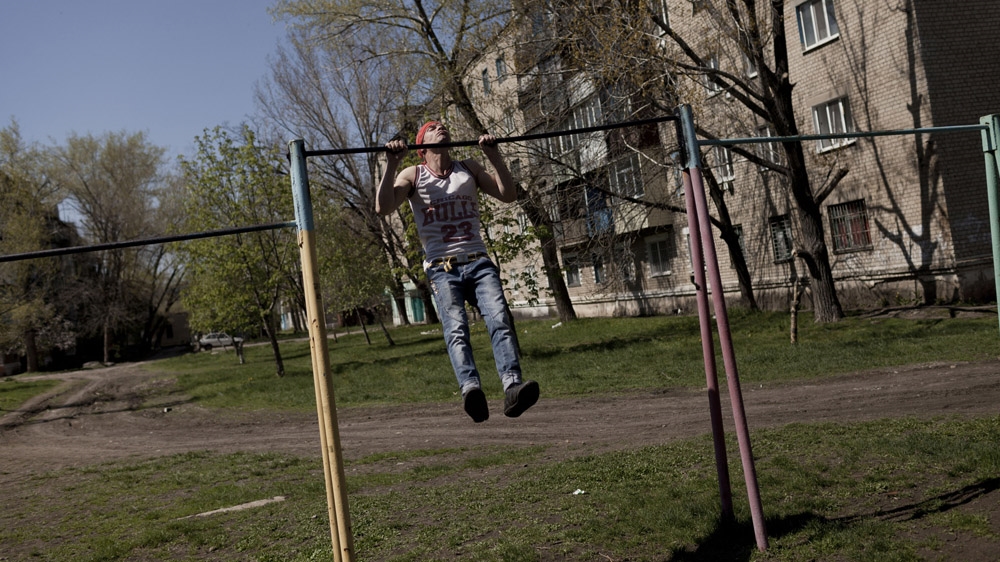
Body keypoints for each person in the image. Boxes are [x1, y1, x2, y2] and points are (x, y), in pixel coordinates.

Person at [375, 121, 539, 423]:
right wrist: (392, 164)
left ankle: (512, 387)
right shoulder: (413, 174)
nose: (443, 127)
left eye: (444, 125)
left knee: (500, 318)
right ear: (422, 145)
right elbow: (384, 207)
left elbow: (508, 194)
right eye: (434, 127)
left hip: (478, 260)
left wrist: (495, 156)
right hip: (441, 267)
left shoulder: (469, 167)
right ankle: (471, 389)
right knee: (456, 329)